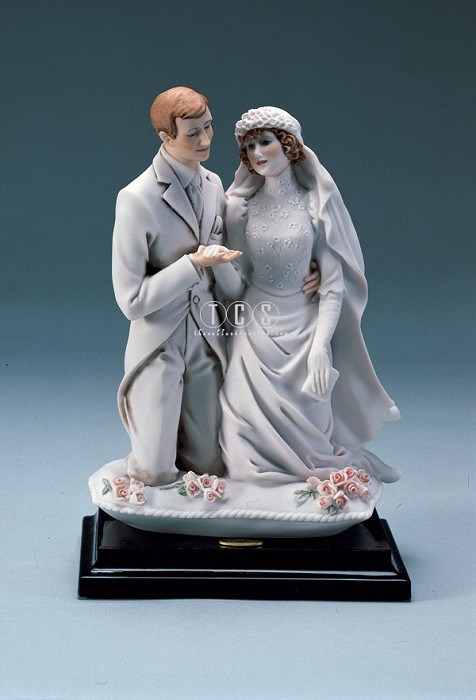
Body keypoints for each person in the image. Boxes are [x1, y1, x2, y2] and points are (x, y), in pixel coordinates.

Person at [111, 90, 319, 487]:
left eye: (209, 128)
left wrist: (309, 269)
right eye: (193, 133)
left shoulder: (212, 185)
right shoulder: (136, 198)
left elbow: (241, 260)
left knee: (209, 464)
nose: (206, 140)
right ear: (165, 136)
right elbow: (131, 301)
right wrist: (193, 264)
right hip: (161, 342)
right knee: (154, 471)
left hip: (209, 337)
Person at [219, 106, 400, 484]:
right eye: (250, 146)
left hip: (304, 327)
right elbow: (235, 280)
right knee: (241, 450)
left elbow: (332, 286)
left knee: (312, 428)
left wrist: (319, 348)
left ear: (289, 146)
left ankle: (338, 463)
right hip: (254, 327)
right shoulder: (240, 208)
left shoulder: (315, 205)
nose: (257, 153)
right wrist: (216, 261)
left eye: (265, 142)